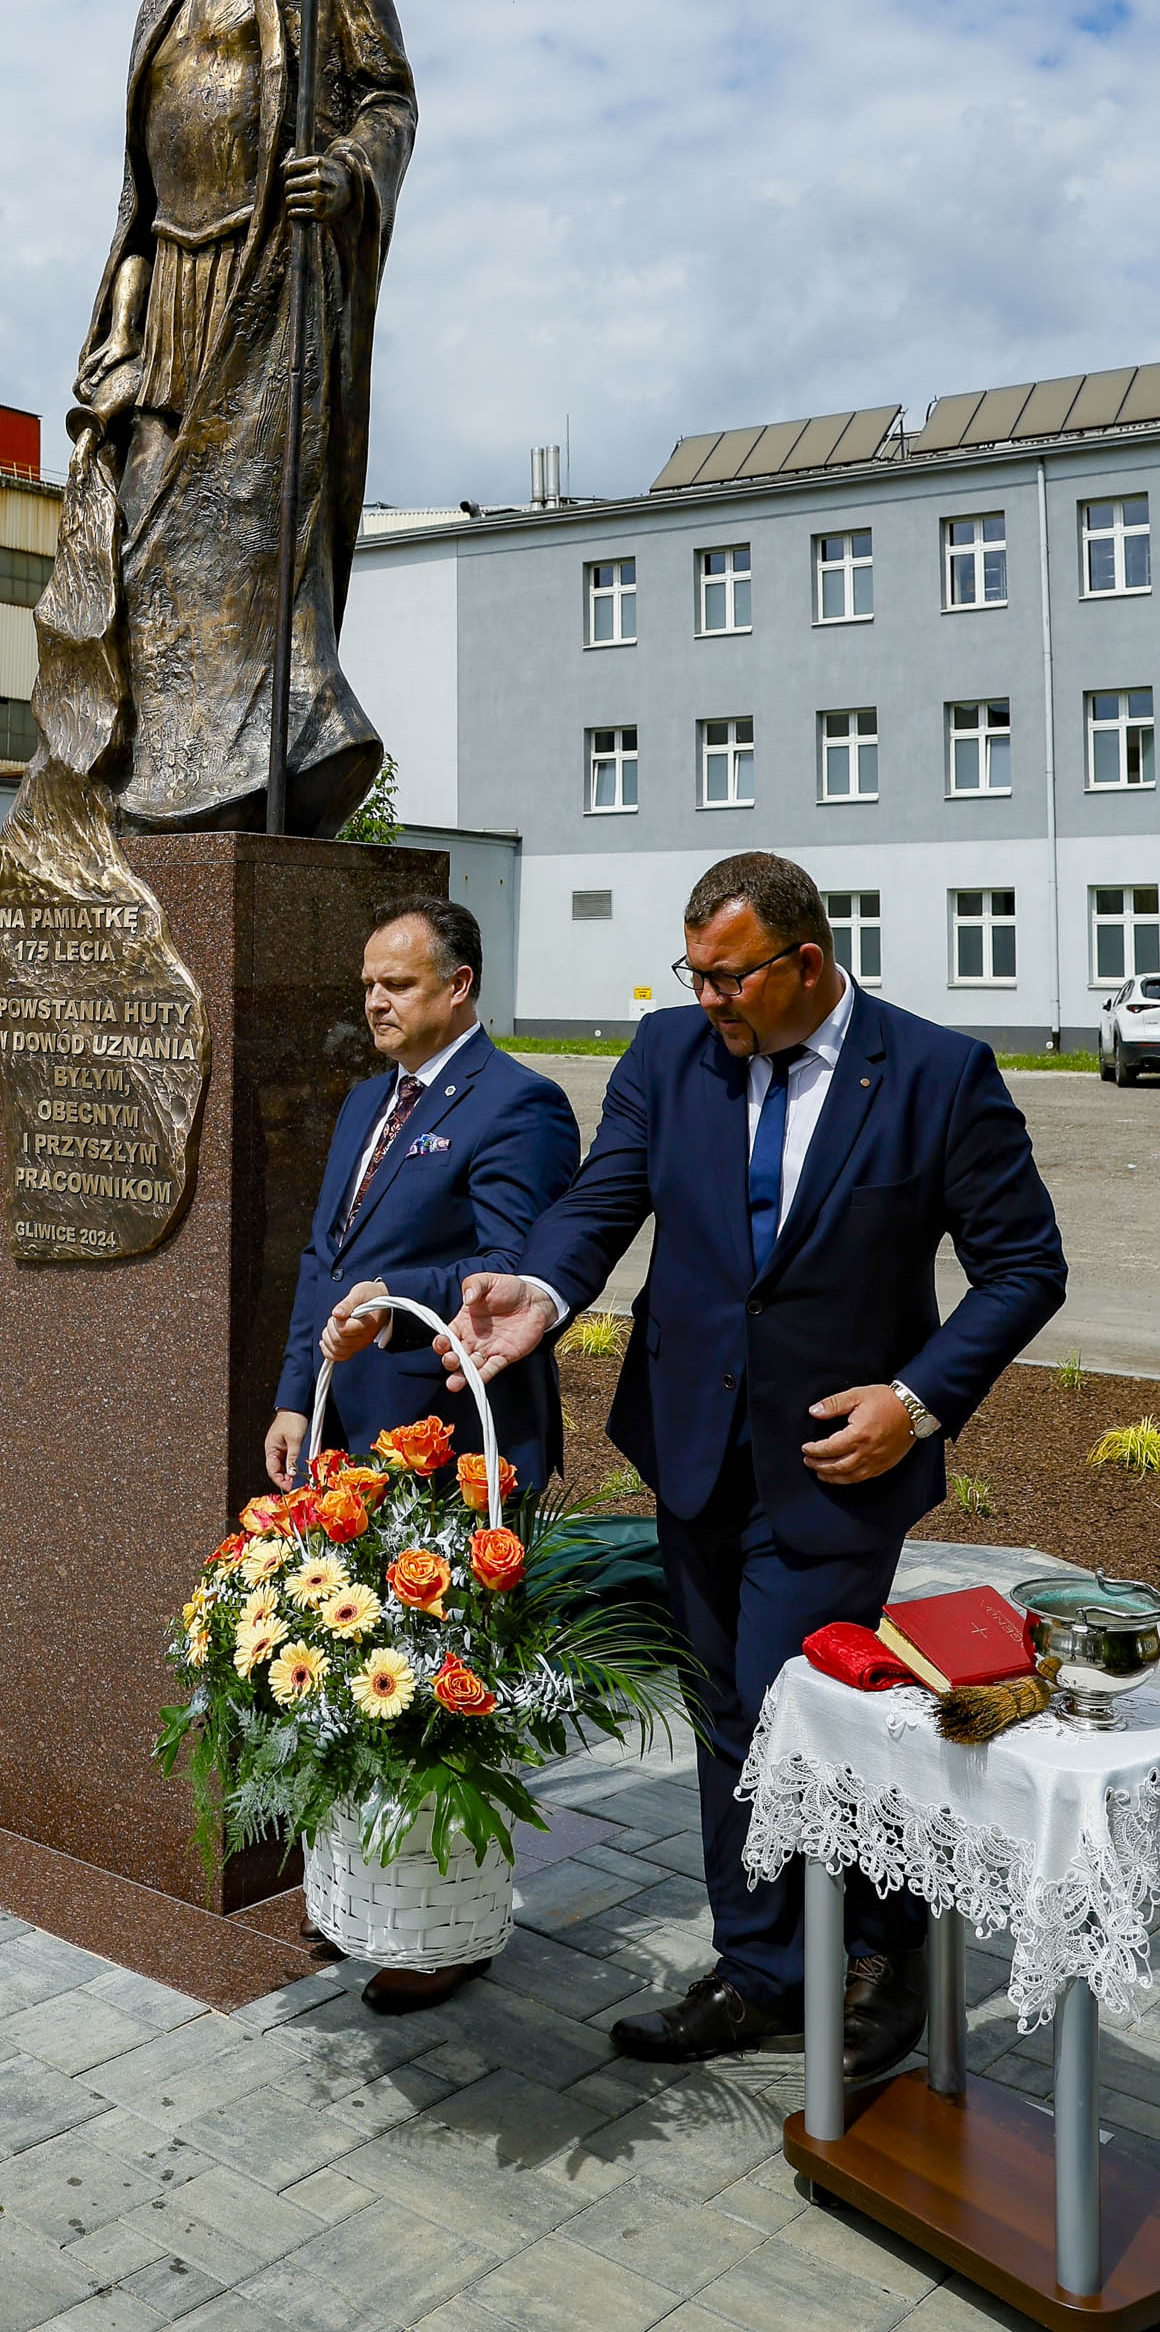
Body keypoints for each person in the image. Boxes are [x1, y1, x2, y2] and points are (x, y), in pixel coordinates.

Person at [443, 850, 1067, 2083]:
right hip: (686, 1445)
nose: (705, 998)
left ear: (806, 966)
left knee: (812, 1712)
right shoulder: (668, 1057)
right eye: (693, 973)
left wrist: (914, 1399)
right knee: (729, 1713)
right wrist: (539, 1286)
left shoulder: (937, 1078)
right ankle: (761, 1970)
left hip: (836, 1463)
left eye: (725, 977)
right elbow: (600, 1200)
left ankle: (883, 1956)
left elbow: (1023, 1269)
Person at [30, 0, 419, 836]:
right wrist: (115, 332)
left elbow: (386, 96)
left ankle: (287, 748)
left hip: (270, 282)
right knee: (142, 546)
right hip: (168, 306)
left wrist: (344, 171)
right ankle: (155, 785)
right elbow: (137, 201)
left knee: (255, 546)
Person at [286, 898, 580, 2017]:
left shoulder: (520, 1104)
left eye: (397, 984)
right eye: (367, 982)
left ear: (456, 987)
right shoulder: (365, 1100)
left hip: (448, 1441)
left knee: (445, 1691)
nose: (374, 1001)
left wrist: (394, 1299)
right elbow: (325, 1260)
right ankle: (367, 1890)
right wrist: (288, 1404)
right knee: (362, 1673)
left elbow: (507, 1263)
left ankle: (443, 1922)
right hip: (348, 1428)